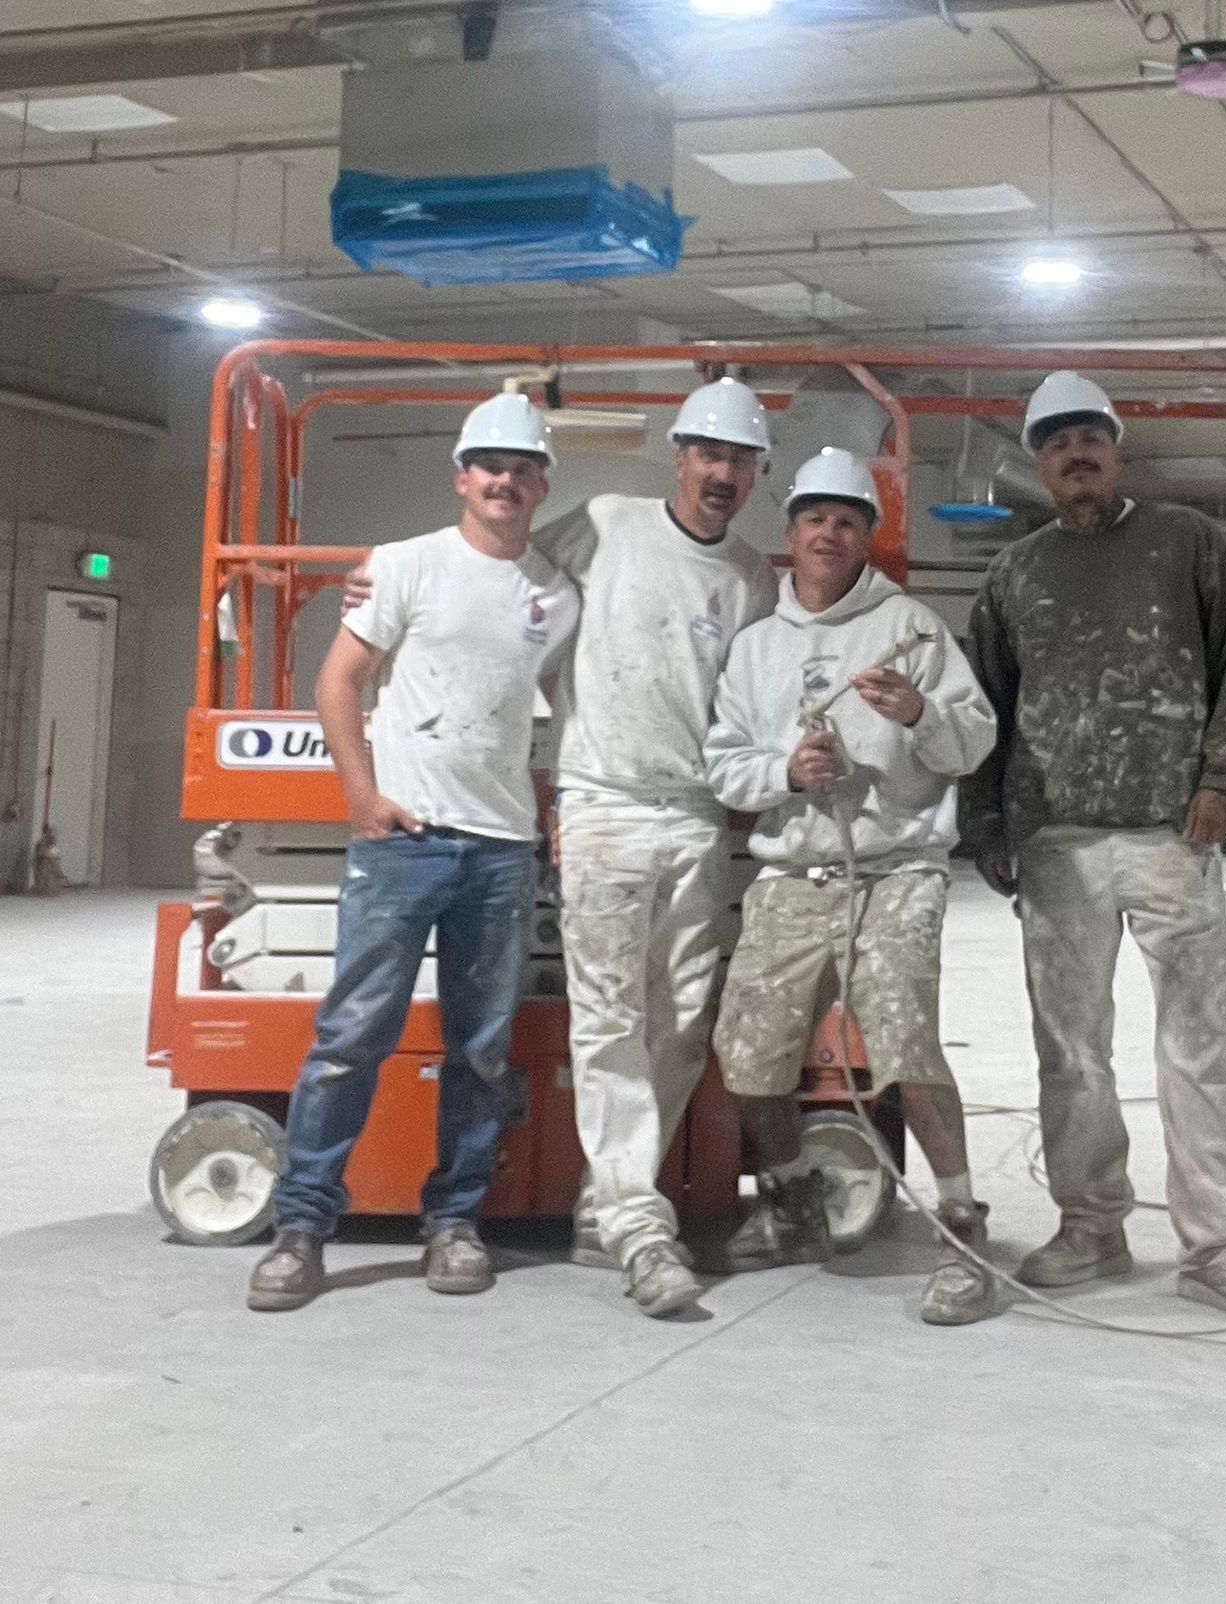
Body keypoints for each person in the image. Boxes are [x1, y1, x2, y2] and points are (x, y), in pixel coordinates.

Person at [343, 377, 778, 1319]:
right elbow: (500, 562)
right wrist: (379, 582)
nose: (722, 473)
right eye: (709, 454)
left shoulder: (752, 576)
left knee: (678, 1022)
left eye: (740, 461)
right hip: (606, 806)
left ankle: (604, 1197)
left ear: (756, 475)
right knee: (612, 1019)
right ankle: (635, 1220)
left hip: (696, 819)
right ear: (681, 457)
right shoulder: (609, 523)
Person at [961, 371, 1226, 1321]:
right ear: (1039, 463)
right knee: (1071, 1052)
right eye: (1057, 442)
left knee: (1198, 1045)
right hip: (1057, 840)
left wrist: (1224, 777)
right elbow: (985, 703)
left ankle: (1219, 1247)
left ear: (1117, 449)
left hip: (1166, 830)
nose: (1076, 453)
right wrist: (987, 821)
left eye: (1090, 437)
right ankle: (1092, 1224)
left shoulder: (1186, 541)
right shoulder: (1014, 574)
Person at [248, 393, 579, 1312]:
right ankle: (302, 1226)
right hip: (404, 841)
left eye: (522, 468)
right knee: (352, 1038)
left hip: (502, 847)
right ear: (462, 478)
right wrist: (362, 795)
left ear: (542, 484)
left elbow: (553, 707)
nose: (505, 481)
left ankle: (454, 1222)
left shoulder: (556, 596)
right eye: (489, 467)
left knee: (479, 1051)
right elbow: (339, 681)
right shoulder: (403, 567)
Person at [704, 449, 1000, 1325]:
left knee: (905, 1040)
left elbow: (973, 743)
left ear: (867, 536)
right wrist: (789, 772)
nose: (829, 533)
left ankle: (959, 1227)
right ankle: (793, 1200)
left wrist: (919, 713)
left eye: (846, 520)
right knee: (746, 1050)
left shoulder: (909, 627)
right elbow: (724, 765)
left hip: (895, 868)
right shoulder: (757, 647)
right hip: (796, 871)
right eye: (813, 519)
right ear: (790, 534)